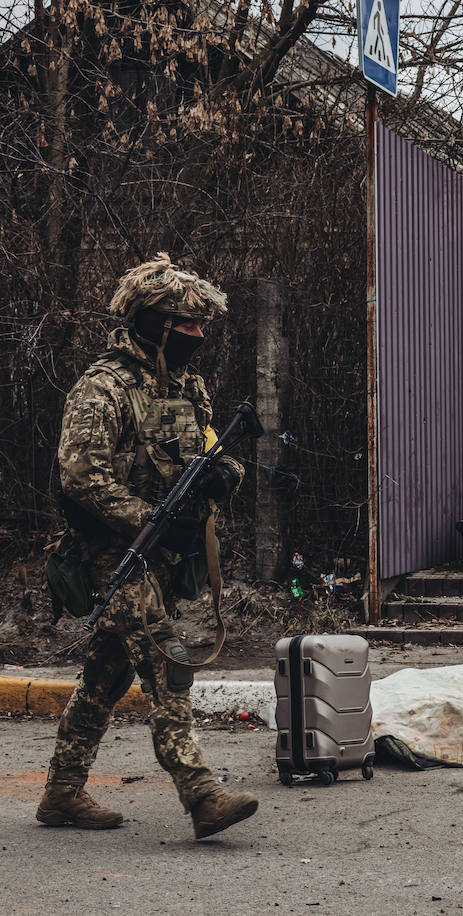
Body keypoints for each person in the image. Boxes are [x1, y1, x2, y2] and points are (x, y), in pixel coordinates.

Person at [37, 253, 258, 840]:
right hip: (109, 552)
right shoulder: (104, 386)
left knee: (106, 676)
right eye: (188, 324)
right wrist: (149, 518)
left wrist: (223, 475)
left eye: (201, 324)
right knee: (166, 660)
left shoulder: (179, 387)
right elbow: (81, 476)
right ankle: (201, 793)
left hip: (160, 554)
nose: (199, 335)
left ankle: (61, 792)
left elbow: (199, 453)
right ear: (155, 324)